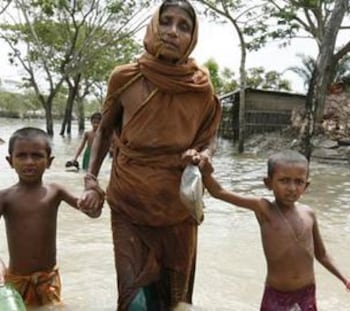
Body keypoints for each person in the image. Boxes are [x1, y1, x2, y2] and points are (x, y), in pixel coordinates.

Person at [78, 0, 222, 310]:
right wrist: (91, 181)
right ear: (154, 27)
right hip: (129, 200)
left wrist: (202, 156)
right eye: (166, 22)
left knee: (173, 299)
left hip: (179, 206)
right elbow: (104, 131)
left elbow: (209, 139)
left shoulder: (201, 87)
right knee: (134, 302)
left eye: (183, 26)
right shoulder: (124, 77)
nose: (172, 31)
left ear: (192, 37)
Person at [198, 149, 350, 310]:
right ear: (268, 183)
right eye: (284, 181)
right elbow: (219, 192)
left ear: (306, 186)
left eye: (298, 182)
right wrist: (206, 173)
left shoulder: (309, 214)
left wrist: (346, 280)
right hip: (276, 295)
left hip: (307, 294)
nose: (292, 188)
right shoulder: (264, 209)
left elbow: (321, 255)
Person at [0, 127, 101, 307]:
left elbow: (90, 212)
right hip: (16, 280)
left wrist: (94, 201)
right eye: (21, 156)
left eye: (37, 156)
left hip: (49, 280)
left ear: (49, 161)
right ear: (10, 161)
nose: (29, 162)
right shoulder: (5, 197)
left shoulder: (56, 191)